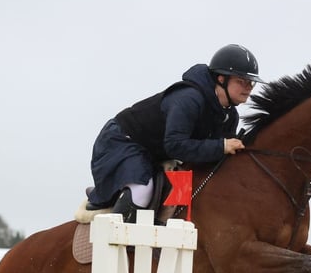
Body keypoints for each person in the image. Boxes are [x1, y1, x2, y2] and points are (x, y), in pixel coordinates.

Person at [85, 43, 263, 222]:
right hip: (121, 141)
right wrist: (221, 146)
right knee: (142, 191)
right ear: (221, 79)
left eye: (251, 82)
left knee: (184, 191)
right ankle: (116, 243)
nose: (248, 87)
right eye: (241, 81)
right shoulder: (189, 99)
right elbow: (175, 145)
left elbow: (209, 158)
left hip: (156, 152)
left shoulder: (230, 115)